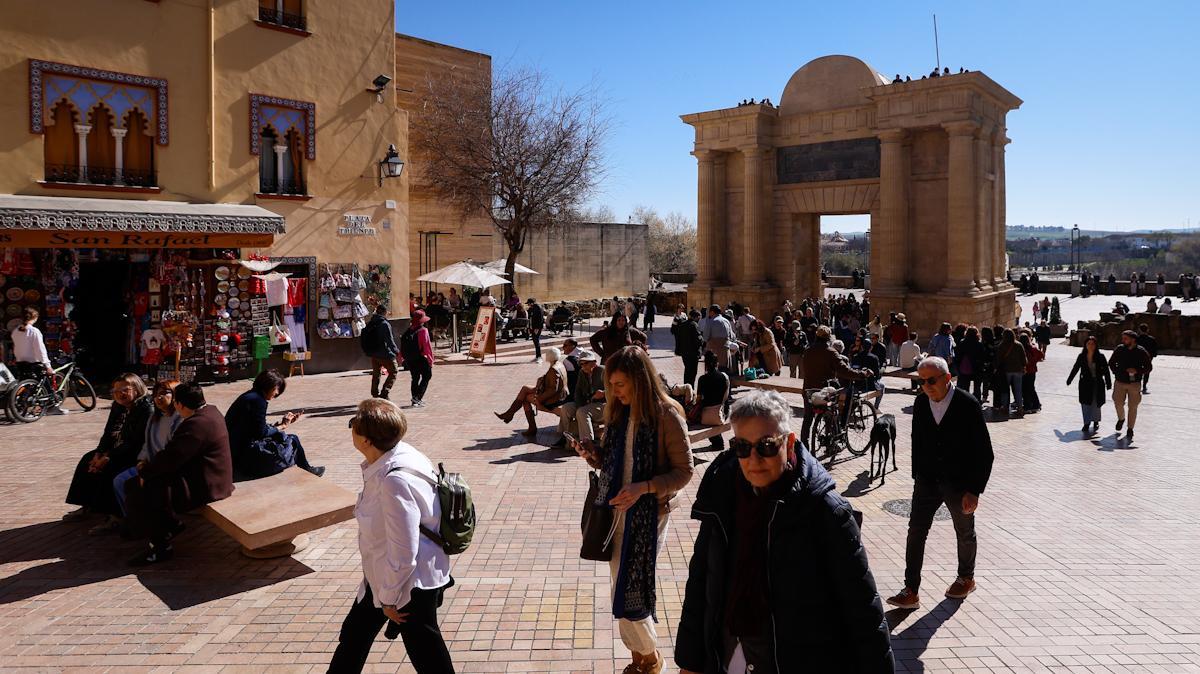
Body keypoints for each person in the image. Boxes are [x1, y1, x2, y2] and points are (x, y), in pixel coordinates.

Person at [675, 390, 894, 673]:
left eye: (766, 446)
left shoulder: (826, 511)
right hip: (728, 657)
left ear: (789, 443)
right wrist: (689, 661)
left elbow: (863, 609)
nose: (753, 460)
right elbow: (702, 581)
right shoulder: (722, 496)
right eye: (742, 447)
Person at [572, 346, 693, 674]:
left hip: (650, 513)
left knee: (630, 585)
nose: (615, 391)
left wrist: (644, 487)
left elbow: (684, 472)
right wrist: (592, 454)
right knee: (620, 583)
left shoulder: (667, 416)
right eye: (611, 384)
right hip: (616, 510)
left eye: (620, 384)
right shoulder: (617, 413)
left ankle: (651, 658)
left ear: (640, 381)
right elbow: (611, 460)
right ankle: (641, 657)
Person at [328, 398, 454, 672]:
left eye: (353, 425)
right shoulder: (400, 454)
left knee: (428, 656)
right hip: (382, 576)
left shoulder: (393, 480)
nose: (350, 429)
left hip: (405, 585)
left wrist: (387, 599)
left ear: (366, 441)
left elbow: (404, 550)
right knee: (353, 638)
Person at [887, 356, 993, 610]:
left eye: (931, 381)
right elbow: (917, 441)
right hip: (927, 480)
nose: (926, 386)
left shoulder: (967, 404)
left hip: (959, 483)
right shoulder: (922, 402)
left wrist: (974, 490)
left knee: (964, 531)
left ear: (947, 378)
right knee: (916, 531)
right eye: (921, 381)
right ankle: (911, 589)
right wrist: (917, 476)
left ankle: (966, 577)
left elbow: (984, 452)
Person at [125, 383, 234, 565]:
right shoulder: (211, 412)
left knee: (141, 489)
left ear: (181, 405)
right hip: (210, 475)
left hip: (208, 484)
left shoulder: (196, 424)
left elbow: (172, 457)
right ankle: (168, 526)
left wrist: (145, 472)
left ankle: (160, 547)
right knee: (142, 485)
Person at [63, 374, 154, 534]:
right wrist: (99, 453)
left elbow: (135, 441)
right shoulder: (117, 406)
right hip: (116, 448)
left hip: (135, 452)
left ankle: (115, 517)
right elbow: (108, 432)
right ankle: (88, 505)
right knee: (87, 460)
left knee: (111, 469)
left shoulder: (146, 408)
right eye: (116, 390)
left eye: (125, 390)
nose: (119, 394)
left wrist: (108, 457)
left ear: (137, 389)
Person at [225, 369, 324, 480]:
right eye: (276, 389)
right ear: (269, 386)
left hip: (236, 451)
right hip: (246, 456)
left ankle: (307, 468)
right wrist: (282, 426)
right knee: (293, 440)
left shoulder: (248, 396)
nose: (276, 393)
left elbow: (255, 427)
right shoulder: (258, 401)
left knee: (281, 437)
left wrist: (279, 425)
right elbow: (260, 432)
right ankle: (308, 469)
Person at [112, 380, 182, 519]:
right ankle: (131, 518)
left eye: (164, 393)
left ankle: (147, 521)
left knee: (137, 486)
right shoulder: (154, 418)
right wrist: (141, 460)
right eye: (155, 395)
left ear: (175, 395)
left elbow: (172, 452)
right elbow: (147, 443)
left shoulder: (179, 419)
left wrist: (149, 469)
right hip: (149, 463)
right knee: (119, 480)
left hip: (163, 467)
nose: (158, 398)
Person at [801, 326, 869, 446]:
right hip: (824, 390)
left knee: (808, 418)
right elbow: (845, 371)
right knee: (831, 412)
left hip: (809, 390)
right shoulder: (831, 352)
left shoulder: (808, 350)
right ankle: (830, 442)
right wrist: (862, 374)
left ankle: (804, 445)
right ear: (828, 339)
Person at [494, 347, 568, 438]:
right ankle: (510, 414)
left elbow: (553, 390)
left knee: (525, 397)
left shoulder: (553, 369)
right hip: (558, 395)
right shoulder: (559, 364)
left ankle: (514, 417)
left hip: (554, 399)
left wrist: (539, 399)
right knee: (525, 389)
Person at [557, 348, 606, 445]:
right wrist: (579, 405)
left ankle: (588, 443)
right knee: (566, 408)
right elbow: (577, 392)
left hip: (603, 405)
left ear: (594, 362)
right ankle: (565, 437)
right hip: (587, 403)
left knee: (582, 412)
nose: (583, 366)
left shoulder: (603, 371)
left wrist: (604, 392)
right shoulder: (582, 373)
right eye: (581, 364)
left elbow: (615, 389)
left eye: (586, 363)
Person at [1109, 330, 1151, 441]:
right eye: (1123, 338)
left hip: (1134, 383)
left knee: (1133, 407)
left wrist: (1137, 371)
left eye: (1125, 338)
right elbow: (1111, 363)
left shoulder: (1141, 351)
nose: (1123, 340)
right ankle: (1121, 418)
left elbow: (1148, 367)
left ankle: (1130, 428)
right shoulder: (1119, 349)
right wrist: (1117, 372)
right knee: (1117, 402)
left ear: (1133, 339)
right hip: (1120, 382)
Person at [1066, 336, 1112, 435]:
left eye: (1092, 344)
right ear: (1085, 345)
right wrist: (1070, 379)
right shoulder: (1081, 356)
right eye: (1088, 344)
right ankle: (1086, 423)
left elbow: (1106, 371)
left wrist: (1108, 383)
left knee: (1096, 402)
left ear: (1096, 345)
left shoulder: (1100, 356)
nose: (1090, 346)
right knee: (1085, 403)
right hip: (1085, 383)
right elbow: (1076, 368)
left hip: (1097, 383)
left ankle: (1095, 420)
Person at [693, 351, 731, 453]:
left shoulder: (702, 379)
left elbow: (698, 399)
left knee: (701, 414)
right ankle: (718, 443)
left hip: (707, 415)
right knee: (717, 414)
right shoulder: (724, 377)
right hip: (723, 411)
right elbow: (727, 397)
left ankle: (717, 443)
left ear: (705, 364)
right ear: (717, 363)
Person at [361, 305, 401, 400]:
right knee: (394, 371)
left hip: (374, 353)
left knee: (376, 373)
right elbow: (389, 340)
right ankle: (384, 392)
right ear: (384, 312)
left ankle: (374, 393)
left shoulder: (371, 322)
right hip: (385, 353)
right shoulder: (384, 324)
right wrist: (396, 351)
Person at [398, 309, 435, 407]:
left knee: (415, 378)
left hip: (409, 359)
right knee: (427, 375)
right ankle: (417, 397)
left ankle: (415, 398)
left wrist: (401, 358)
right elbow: (427, 347)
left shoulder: (408, 330)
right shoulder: (423, 331)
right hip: (420, 357)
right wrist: (431, 360)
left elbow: (402, 345)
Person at [10, 307, 52, 382]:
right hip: (33, 365)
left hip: (21, 364)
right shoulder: (34, 331)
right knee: (46, 388)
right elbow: (40, 349)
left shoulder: (15, 331)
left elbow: (15, 348)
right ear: (35, 318)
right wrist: (48, 365)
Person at [995, 328, 1026, 417]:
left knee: (1005, 390)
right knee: (1018, 390)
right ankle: (1020, 408)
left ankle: (1005, 407)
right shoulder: (1018, 345)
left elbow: (998, 359)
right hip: (1018, 370)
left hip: (1006, 371)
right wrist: (1023, 366)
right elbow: (1023, 358)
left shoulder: (1002, 345)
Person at [671, 309, 704, 389]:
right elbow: (698, 339)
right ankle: (690, 389)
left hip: (684, 352)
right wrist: (702, 340)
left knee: (687, 371)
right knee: (692, 372)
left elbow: (677, 336)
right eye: (699, 317)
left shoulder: (683, 324)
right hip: (693, 353)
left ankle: (686, 388)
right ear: (696, 317)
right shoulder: (694, 325)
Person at [699, 305, 736, 372]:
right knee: (724, 370)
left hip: (714, 350)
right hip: (725, 349)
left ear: (712, 312)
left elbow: (706, 337)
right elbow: (732, 336)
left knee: (713, 369)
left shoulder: (710, 321)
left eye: (709, 312)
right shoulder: (726, 321)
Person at [954, 327, 985, 400]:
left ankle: (966, 401)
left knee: (965, 387)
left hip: (965, 367)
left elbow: (958, 355)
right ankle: (977, 401)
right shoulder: (979, 344)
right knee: (977, 387)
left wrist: (958, 366)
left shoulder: (962, 342)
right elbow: (982, 356)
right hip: (977, 368)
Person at [1018, 333, 1043, 413]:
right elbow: (1041, 355)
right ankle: (1036, 404)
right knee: (1031, 388)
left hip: (1024, 371)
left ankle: (1027, 406)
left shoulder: (1021, 349)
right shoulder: (1033, 348)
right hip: (1032, 371)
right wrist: (1035, 361)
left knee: (1024, 389)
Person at [1136, 323, 1158, 394]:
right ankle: (1144, 385)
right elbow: (1154, 349)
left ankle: (1137, 384)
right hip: (1148, 357)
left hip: (1138, 357)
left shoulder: (1137, 339)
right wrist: (1153, 356)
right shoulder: (1152, 339)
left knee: (1138, 370)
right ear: (1147, 330)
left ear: (1139, 330)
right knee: (1147, 371)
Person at [526, 298, 545, 363]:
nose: (528, 305)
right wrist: (529, 328)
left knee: (536, 341)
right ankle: (537, 356)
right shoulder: (531, 309)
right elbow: (529, 318)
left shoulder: (538, 308)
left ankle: (539, 357)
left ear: (532, 303)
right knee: (535, 341)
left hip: (537, 328)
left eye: (528, 303)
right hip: (532, 327)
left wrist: (537, 328)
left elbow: (540, 319)